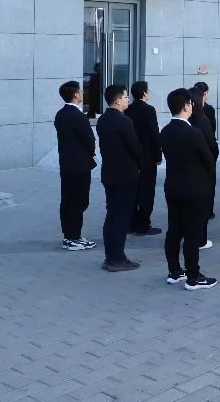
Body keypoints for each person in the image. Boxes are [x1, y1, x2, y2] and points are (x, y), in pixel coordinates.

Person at [160, 88, 218, 290]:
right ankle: (193, 277)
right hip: (195, 189)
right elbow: (209, 161)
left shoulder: (165, 131)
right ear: (186, 106)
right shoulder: (194, 133)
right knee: (192, 234)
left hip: (173, 187)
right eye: (191, 104)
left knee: (174, 230)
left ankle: (174, 271)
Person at [96, 85, 142, 272]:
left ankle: (111, 256)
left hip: (109, 174)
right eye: (125, 97)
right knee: (121, 218)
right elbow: (135, 148)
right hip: (125, 175)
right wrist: (141, 163)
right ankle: (117, 259)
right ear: (116, 100)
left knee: (112, 215)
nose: (127, 99)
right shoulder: (124, 121)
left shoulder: (103, 120)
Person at [54, 81, 97, 251]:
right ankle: (73, 238)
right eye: (80, 91)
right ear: (76, 95)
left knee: (68, 200)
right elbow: (89, 140)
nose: (82, 93)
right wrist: (90, 152)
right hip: (80, 165)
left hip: (66, 164)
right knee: (79, 202)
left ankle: (70, 236)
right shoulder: (78, 116)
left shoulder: (60, 114)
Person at [125, 81, 162, 236]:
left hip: (131, 156)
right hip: (147, 156)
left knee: (133, 189)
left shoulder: (127, 110)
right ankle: (143, 225)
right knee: (147, 191)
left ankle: (131, 224)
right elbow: (154, 133)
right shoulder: (149, 110)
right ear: (145, 93)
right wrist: (158, 155)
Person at [188, 86, 218, 248]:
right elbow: (212, 148)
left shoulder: (184, 122)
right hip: (202, 171)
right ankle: (201, 239)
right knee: (202, 206)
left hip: (186, 172)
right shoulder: (202, 122)